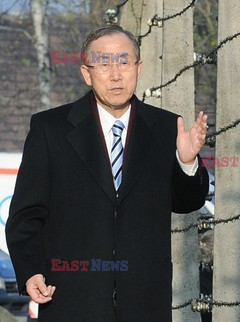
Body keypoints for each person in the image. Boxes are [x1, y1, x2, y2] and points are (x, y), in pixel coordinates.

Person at [6, 24, 209, 322]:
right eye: (104, 64)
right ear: (86, 73)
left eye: (124, 62)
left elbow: (186, 202)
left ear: (139, 68)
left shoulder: (167, 128)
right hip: (71, 301)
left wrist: (187, 161)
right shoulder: (50, 129)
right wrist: (31, 270)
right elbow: (26, 214)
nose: (116, 75)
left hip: (145, 302)